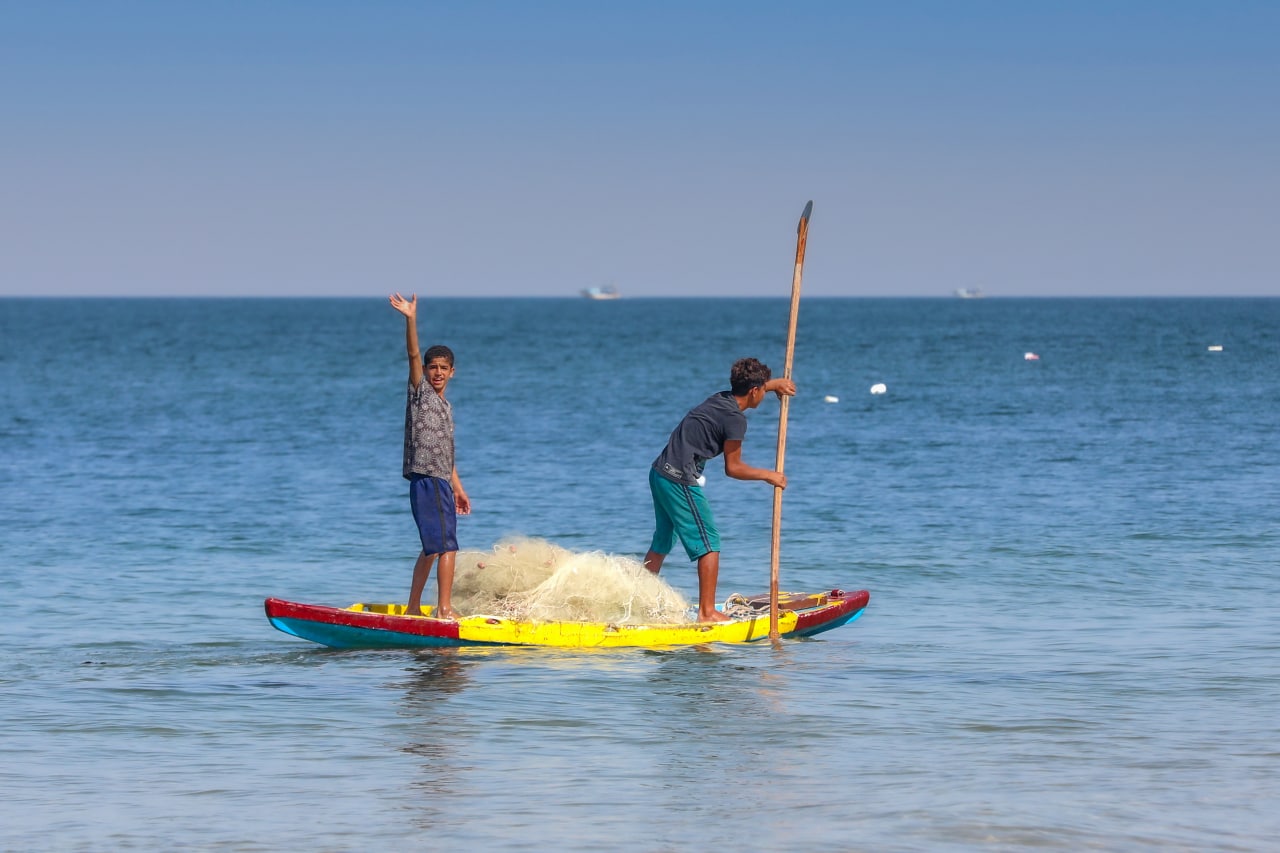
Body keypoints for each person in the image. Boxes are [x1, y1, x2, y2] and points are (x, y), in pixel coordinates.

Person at [642, 357, 796, 622]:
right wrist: (769, 475)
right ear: (754, 391)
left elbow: (750, 388)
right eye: (763, 389)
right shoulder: (736, 420)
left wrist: (773, 385)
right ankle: (707, 612)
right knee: (709, 542)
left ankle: (639, 599)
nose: (763, 394)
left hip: (659, 473)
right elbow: (733, 468)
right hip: (679, 479)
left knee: (663, 540)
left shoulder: (720, 398)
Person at [389, 292, 471, 618]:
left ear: (452, 372)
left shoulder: (446, 407)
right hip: (426, 480)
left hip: (441, 482)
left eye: (443, 368)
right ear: (424, 370)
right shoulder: (420, 393)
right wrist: (411, 319)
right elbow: (412, 353)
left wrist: (459, 489)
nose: (438, 372)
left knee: (432, 547)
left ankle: (413, 608)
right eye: (432, 367)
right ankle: (445, 610)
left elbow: (446, 454)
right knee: (447, 546)